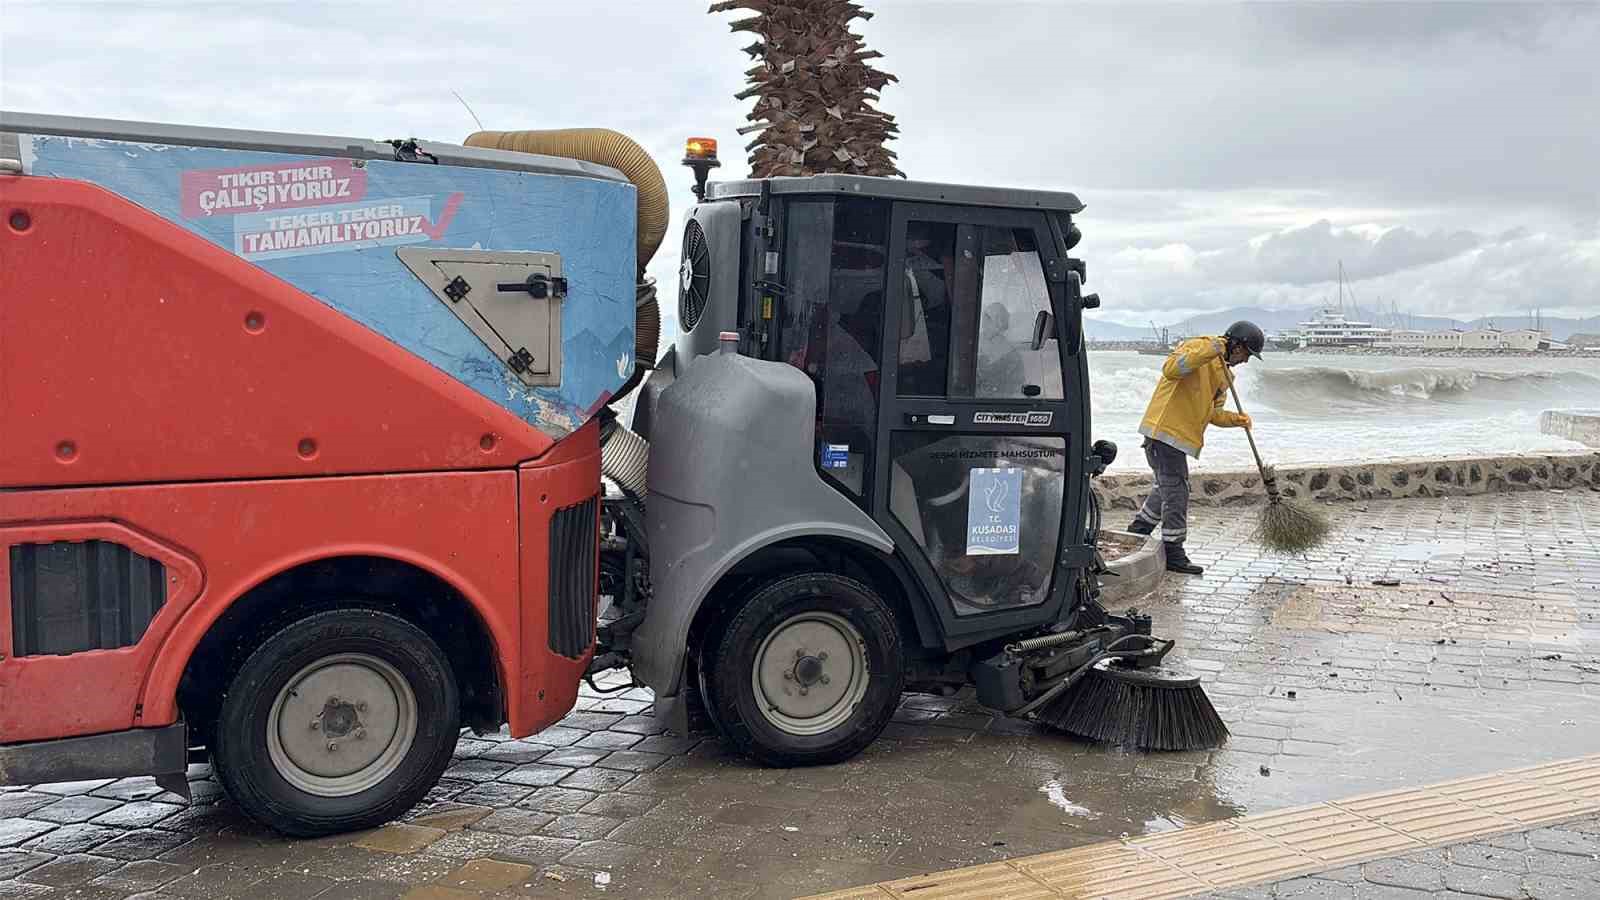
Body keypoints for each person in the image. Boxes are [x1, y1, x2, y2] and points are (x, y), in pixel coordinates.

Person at [1128, 321, 1265, 575]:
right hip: (1163, 432)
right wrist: (1209, 351)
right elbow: (1171, 369)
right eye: (1247, 354)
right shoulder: (1198, 347)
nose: (1245, 361)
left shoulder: (1225, 375)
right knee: (1177, 492)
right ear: (1236, 346)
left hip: (1179, 440)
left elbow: (1213, 413)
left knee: (1167, 488)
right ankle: (1174, 553)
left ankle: (1137, 532)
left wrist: (1237, 420)